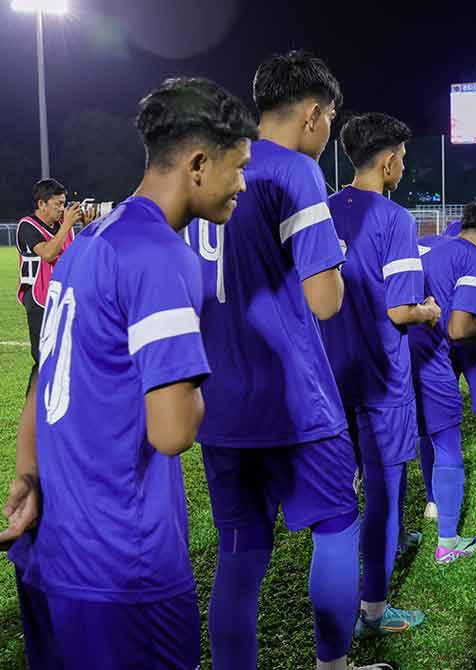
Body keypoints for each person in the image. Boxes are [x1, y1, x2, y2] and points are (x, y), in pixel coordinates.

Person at [1, 76, 255, 670]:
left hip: (50, 553)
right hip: (122, 565)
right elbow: (172, 431)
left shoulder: (87, 242)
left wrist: (26, 476)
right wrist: (203, 371)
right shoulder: (160, 255)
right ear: (198, 163)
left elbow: (43, 379)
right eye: (239, 167)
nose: (243, 184)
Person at [186, 53, 389, 670]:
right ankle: (333, 665)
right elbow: (325, 301)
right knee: (336, 525)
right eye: (330, 120)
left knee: (239, 554)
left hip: (216, 400)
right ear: (313, 113)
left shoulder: (206, 167)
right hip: (294, 399)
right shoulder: (295, 169)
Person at [318, 112, 439, 639]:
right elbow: (399, 309)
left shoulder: (321, 211)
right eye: (403, 159)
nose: (403, 168)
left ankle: (336, 608)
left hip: (329, 378)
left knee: (340, 494)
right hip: (381, 380)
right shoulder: (395, 218)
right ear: (388, 161)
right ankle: (372, 610)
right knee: (384, 494)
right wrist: (428, 311)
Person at [411, 199, 476, 563]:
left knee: (419, 434)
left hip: (400, 354)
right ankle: (455, 536)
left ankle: (432, 503)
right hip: (440, 353)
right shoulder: (475, 256)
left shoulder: (425, 243)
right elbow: (458, 329)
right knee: (455, 436)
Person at [15, 179, 90, 393]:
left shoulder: (63, 226)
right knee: (43, 358)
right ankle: (37, 403)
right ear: (41, 204)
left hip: (64, 297)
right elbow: (48, 253)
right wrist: (67, 225)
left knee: (68, 353)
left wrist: (86, 226)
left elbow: (80, 253)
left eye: (63, 203)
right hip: (39, 299)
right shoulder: (27, 225)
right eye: (58, 204)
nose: (62, 209)